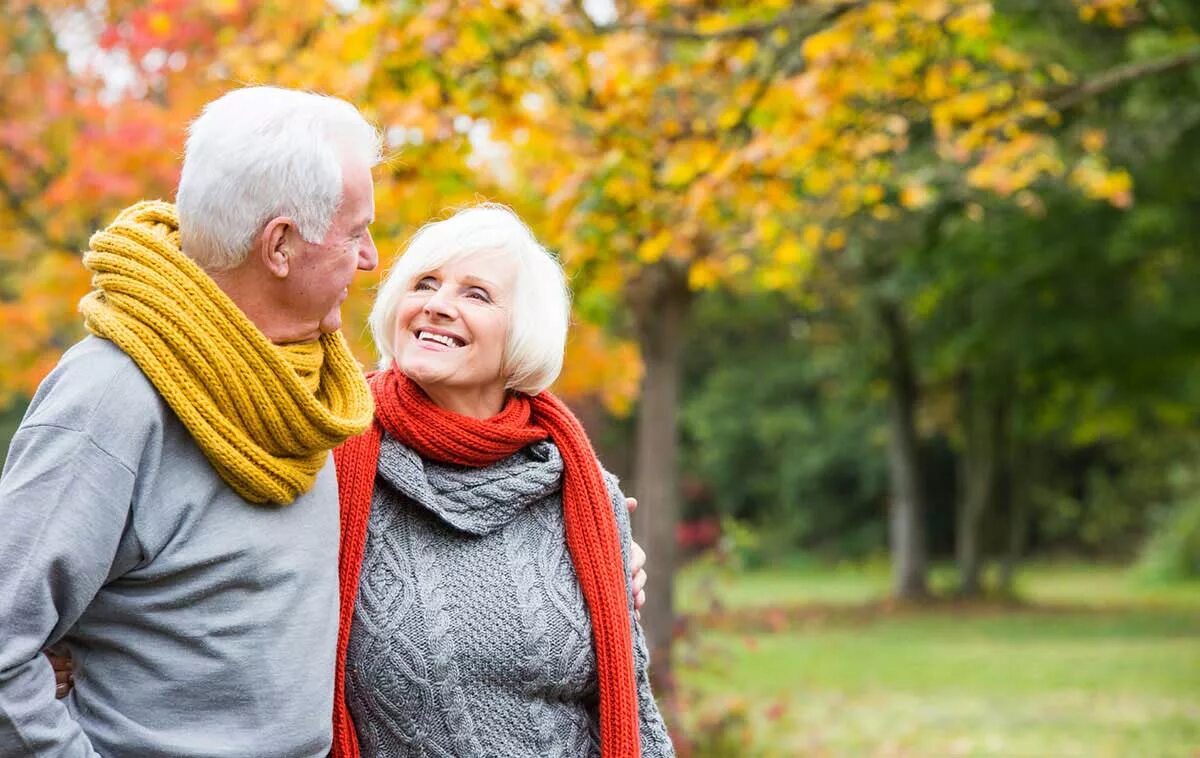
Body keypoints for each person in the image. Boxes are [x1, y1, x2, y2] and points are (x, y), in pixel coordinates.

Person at [8, 85, 650, 755]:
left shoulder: (321, 409)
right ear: (280, 246)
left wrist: (602, 549)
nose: (373, 258)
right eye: (356, 232)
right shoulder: (112, 397)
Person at [329, 204, 674, 757]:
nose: (438, 306)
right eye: (426, 283)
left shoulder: (579, 487)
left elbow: (629, 699)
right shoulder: (335, 462)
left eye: (476, 294)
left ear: (522, 332)